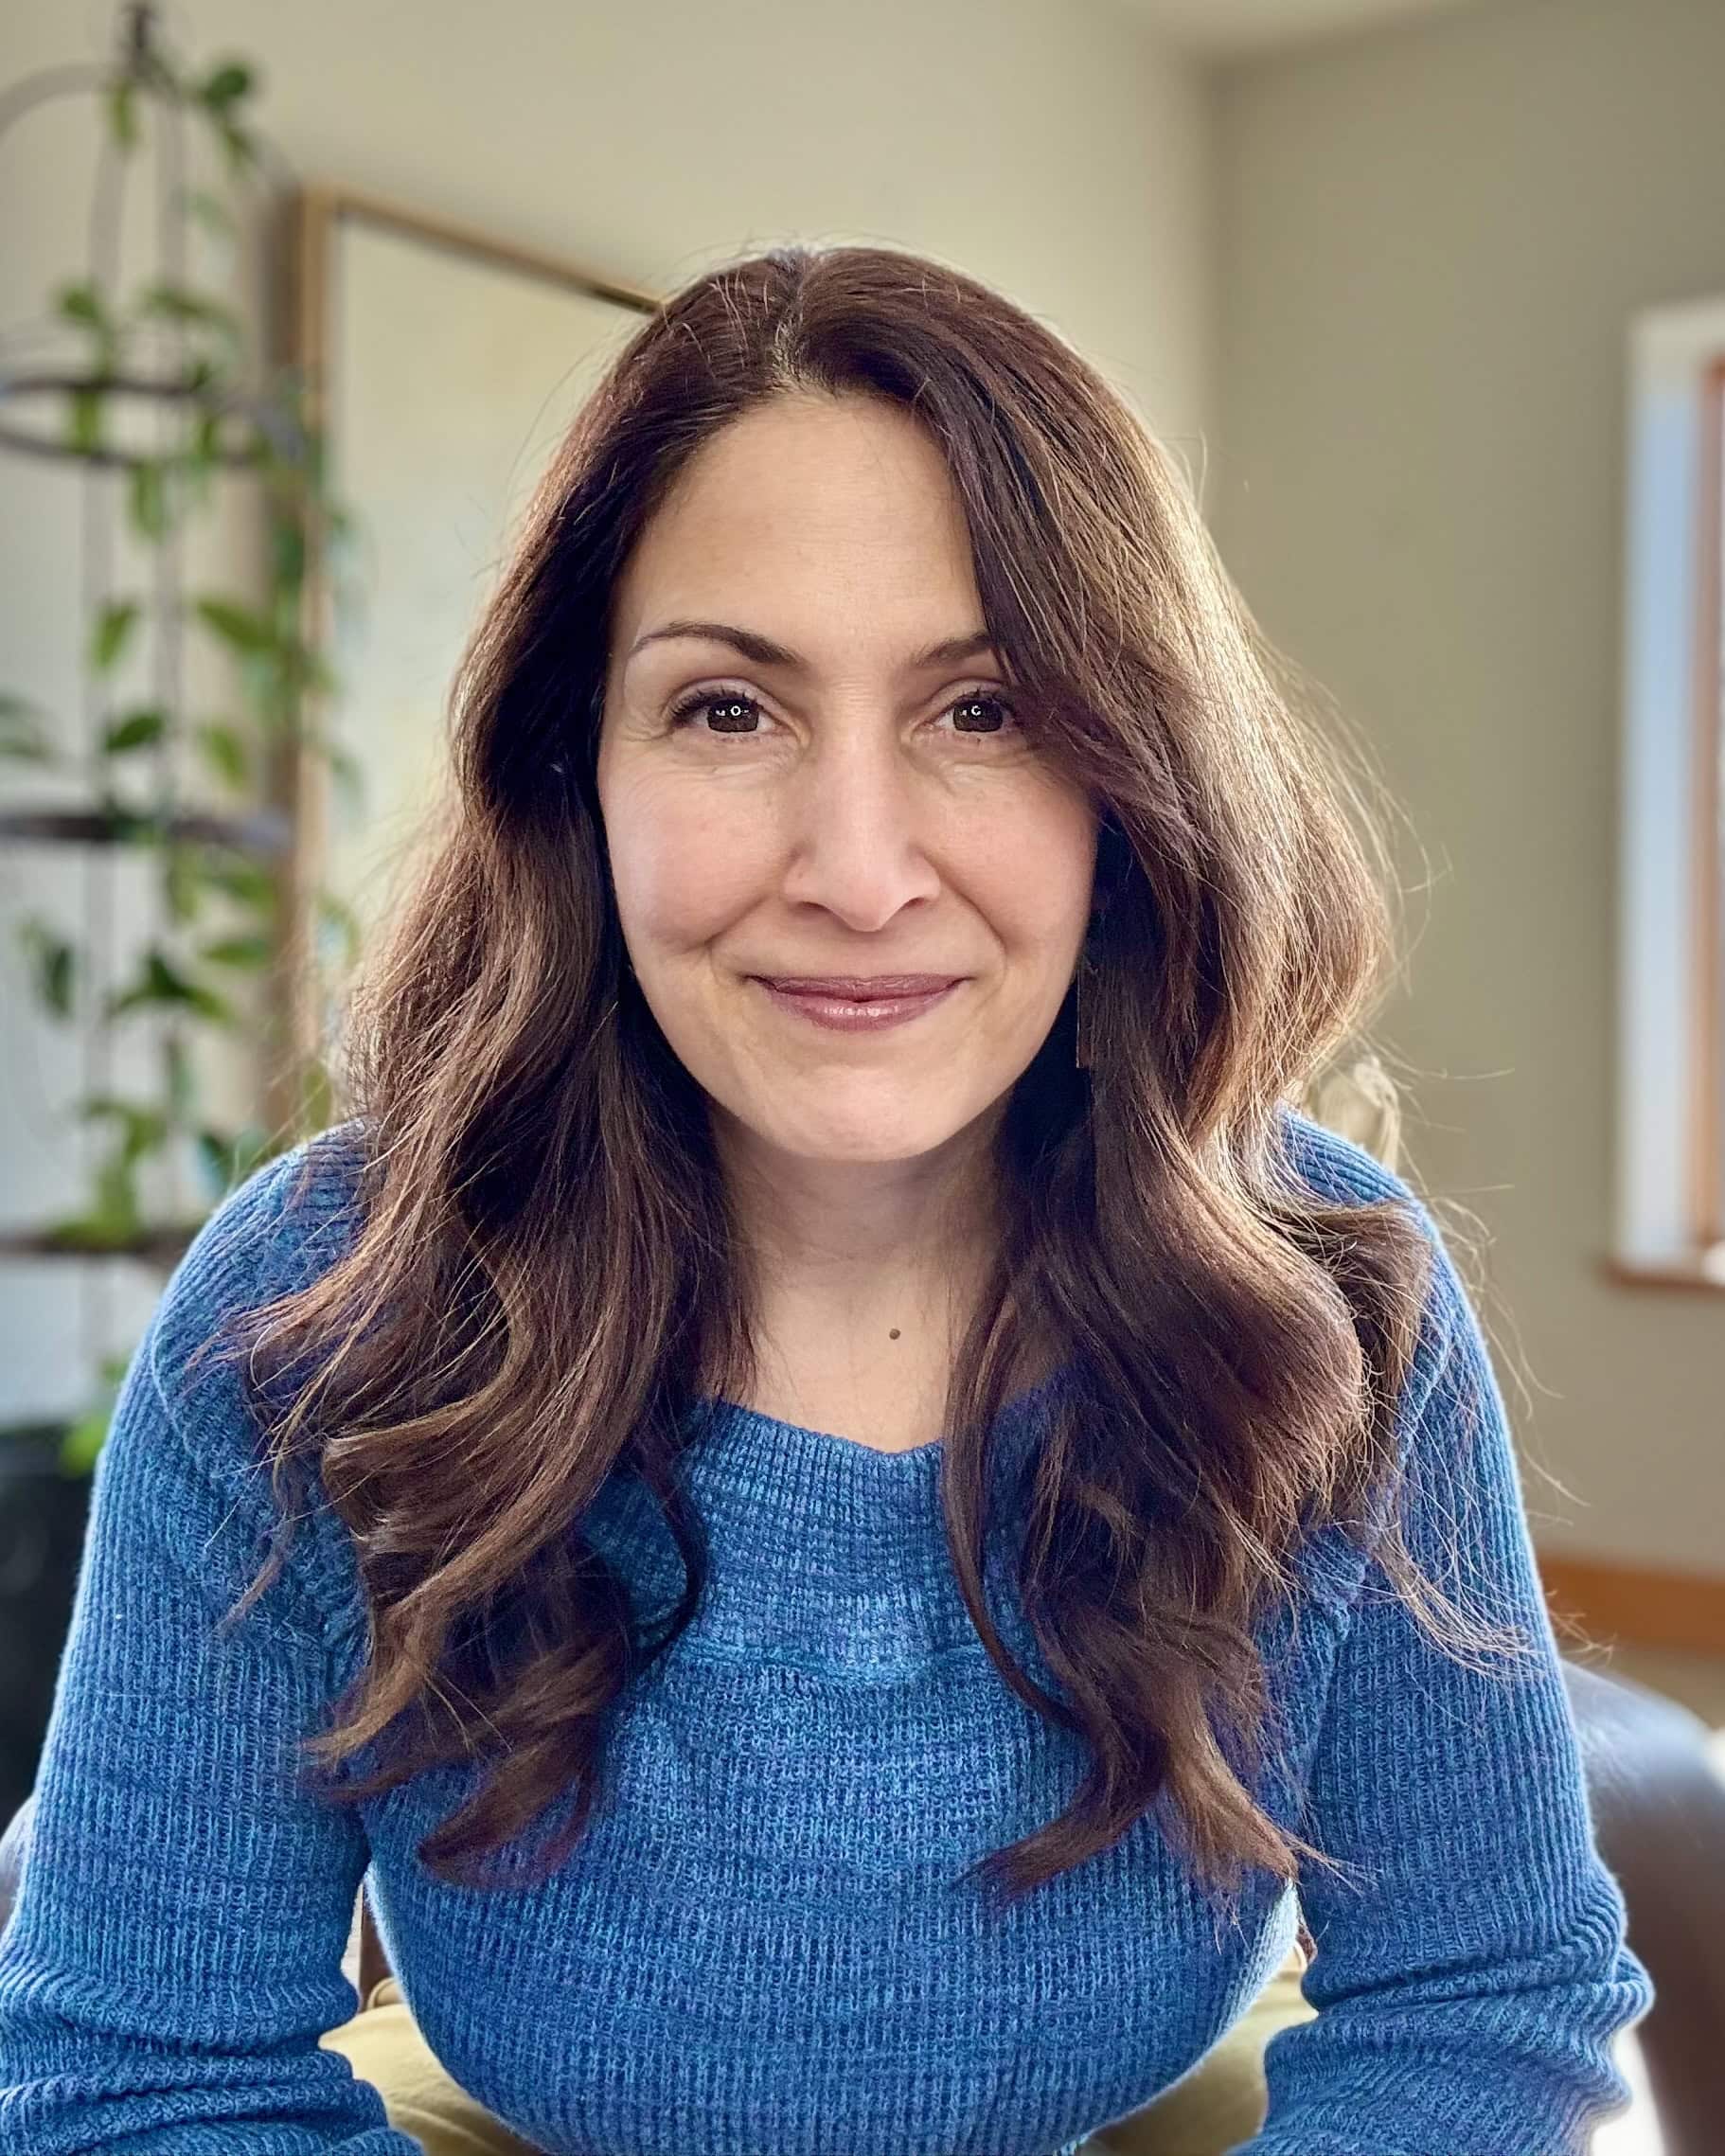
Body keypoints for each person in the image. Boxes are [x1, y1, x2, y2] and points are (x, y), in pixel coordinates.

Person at [0, 241, 1652, 2156]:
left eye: (984, 710)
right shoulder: (316, 1302)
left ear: (1132, 786)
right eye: (727, 710)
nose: (856, 871)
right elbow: (140, 2084)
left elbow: (1484, 1997)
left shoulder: (1323, 1290)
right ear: (578, 768)